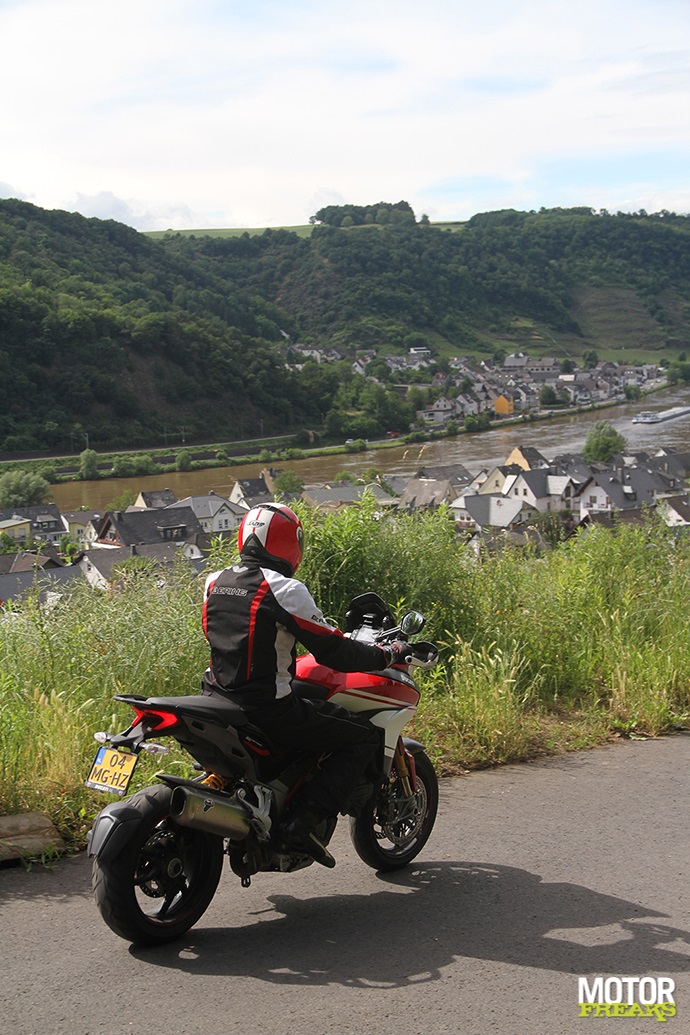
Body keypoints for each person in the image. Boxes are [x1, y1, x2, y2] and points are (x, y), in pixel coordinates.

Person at [201, 502, 407, 867]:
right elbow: (335, 653)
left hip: (215, 698)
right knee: (363, 737)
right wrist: (386, 655)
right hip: (269, 710)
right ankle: (302, 824)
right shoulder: (284, 589)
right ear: (290, 542)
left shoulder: (214, 582)